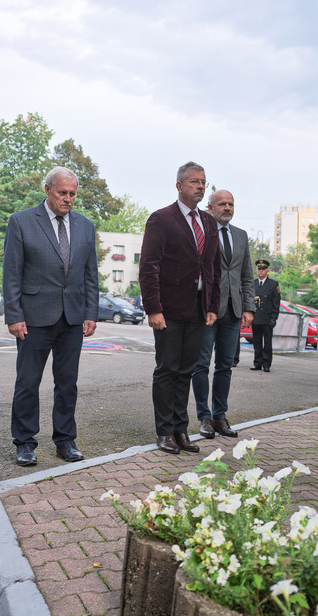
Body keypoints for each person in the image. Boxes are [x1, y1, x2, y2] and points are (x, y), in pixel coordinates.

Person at [3, 167, 98, 467]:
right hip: (33, 318)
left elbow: (90, 274)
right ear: (47, 189)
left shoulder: (86, 226)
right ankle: (25, 443)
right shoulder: (20, 222)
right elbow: (12, 274)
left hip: (72, 317)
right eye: (62, 193)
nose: (68, 199)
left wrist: (91, 313)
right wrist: (14, 315)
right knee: (28, 382)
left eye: (72, 193)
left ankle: (65, 440)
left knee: (67, 383)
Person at [139, 162, 221, 454]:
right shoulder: (161, 219)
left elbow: (213, 268)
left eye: (203, 182)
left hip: (198, 309)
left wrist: (212, 305)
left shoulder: (210, 223)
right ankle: (164, 431)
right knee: (167, 370)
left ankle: (180, 429)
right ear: (179, 186)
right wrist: (153, 309)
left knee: (187, 370)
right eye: (195, 182)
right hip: (169, 309)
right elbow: (149, 267)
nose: (200, 187)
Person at [191, 190, 255, 439]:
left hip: (233, 310)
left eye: (230, 204)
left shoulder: (241, 235)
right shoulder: (203, 232)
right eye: (222, 204)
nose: (227, 208)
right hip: (208, 310)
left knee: (225, 366)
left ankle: (220, 416)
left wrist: (249, 307)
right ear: (210, 207)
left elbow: (246, 274)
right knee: (201, 365)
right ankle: (204, 417)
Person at [250, 260, 280, 372]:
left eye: (263, 269)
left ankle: (266, 364)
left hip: (267, 319)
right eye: (259, 269)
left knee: (267, 343)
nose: (261, 271)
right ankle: (257, 363)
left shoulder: (273, 284)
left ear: (267, 270)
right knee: (256, 342)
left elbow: (276, 303)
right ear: (256, 270)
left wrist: (274, 318)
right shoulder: (253, 284)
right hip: (256, 317)